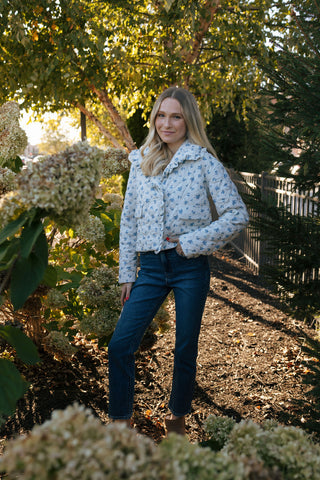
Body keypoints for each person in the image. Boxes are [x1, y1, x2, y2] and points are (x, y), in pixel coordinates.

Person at [108, 86, 249, 435]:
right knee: (120, 345)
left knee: (185, 346)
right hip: (150, 268)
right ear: (154, 118)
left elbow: (236, 214)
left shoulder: (203, 162)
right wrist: (127, 273)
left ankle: (177, 417)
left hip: (189, 267)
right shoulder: (140, 162)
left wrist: (190, 243)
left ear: (188, 122)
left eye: (176, 116)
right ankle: (121, 423)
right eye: (161, 115)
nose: (166, 123)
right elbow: (129, 219)